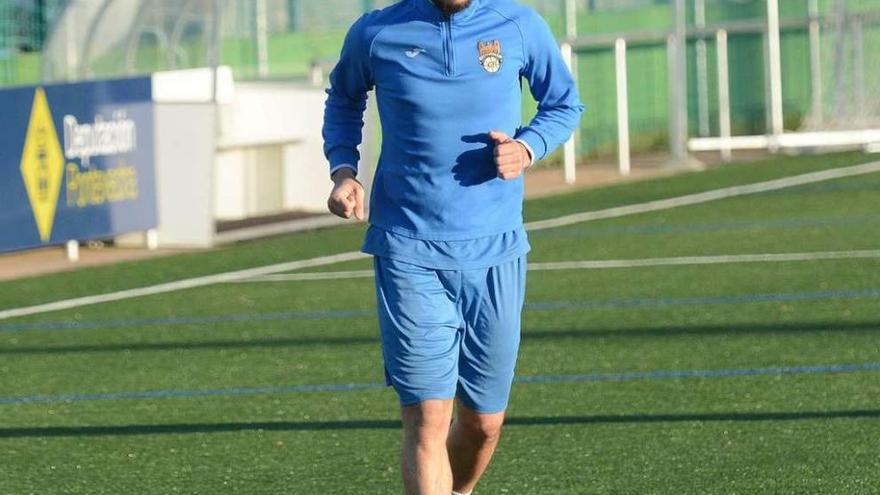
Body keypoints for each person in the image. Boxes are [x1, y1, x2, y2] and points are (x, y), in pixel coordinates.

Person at [322, 0, 583, 492]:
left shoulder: (518, 25)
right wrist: (344, 170)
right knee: (426, 419)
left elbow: (564, 103)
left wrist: (527, 147)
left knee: (483, 425)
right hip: (407, 247)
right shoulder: (377, 32)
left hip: (496, 249)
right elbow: (343, 98)